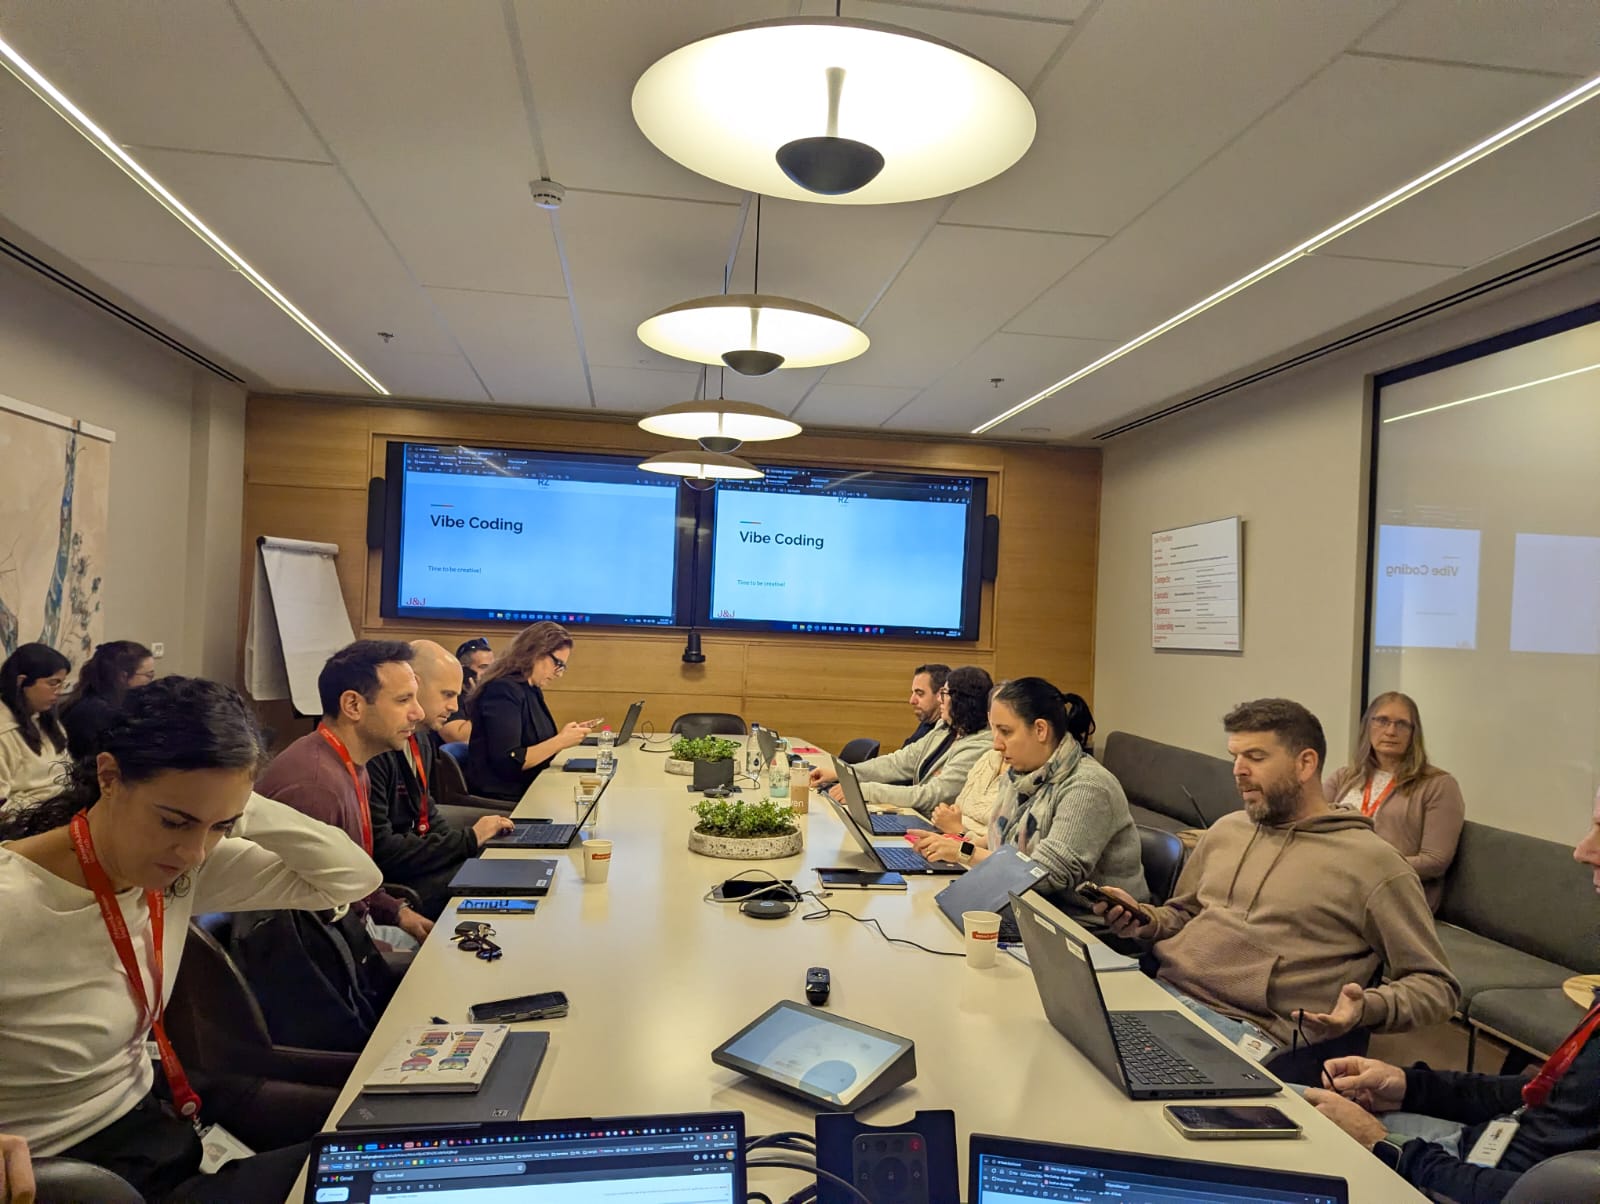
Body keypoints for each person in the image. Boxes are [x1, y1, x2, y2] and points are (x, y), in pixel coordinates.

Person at [0, 676, 382, 1203]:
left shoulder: (175, 867)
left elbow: (352, 877)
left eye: (220, 827)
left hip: (159, 1119)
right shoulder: (12, 901)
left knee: (391, 1141)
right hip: (77, 1174)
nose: (194, 852)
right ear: (108, 776)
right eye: (174, 821)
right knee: (367, 1176)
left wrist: (235, 801)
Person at [1097, 698, 1459, 1081]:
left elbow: (1436, 988)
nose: (1238, 771)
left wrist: (1368, 1006)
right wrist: (1145, 919)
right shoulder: (1227, 830)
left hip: (1246, 1033)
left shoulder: (1375, 866)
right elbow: (1183, 914)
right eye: (1235, 757)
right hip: (1159, 993)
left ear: (1305, 764)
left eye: (1255, 757)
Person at [1303, 786, 1600, 1202]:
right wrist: (1408, 1084)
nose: (1582, 851)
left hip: (1459, 1183)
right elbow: (1550, 1101)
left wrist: (1384, 1145)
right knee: (1292, 1105)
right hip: (1471, 1153)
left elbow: (1543, 1196)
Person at [911, 679, 1149, 917]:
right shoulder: (1020, 775)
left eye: (1005, 732)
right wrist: (954, 842)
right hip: (1026, 906)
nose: (996, 745)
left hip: (1085, 927)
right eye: (994, 730)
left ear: (1040, 730)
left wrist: (963, 851)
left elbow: (1045, 875)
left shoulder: (1088, 786)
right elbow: (1004, 852)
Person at [255, 640, 432, 951]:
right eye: (404, 700)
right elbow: (305, 925)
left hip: (355, 927)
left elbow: (342, 876)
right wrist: (381, 950)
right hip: (334, 950)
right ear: (353, 706)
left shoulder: (350, 763)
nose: (418, 712)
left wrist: (397, 911)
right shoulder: (314, 788)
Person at [366, 640, 513, 917]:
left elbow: (426, 810)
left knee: (508, 867)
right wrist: (468, 840)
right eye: (447, 695)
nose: (453, 706)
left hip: (418, 861)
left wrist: (462, 845)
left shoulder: (419, 739)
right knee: (505, 882)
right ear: (415, 684)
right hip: (396, 883)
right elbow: (383, 851)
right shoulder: (377, 749)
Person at [1324, 691, 1464, 911]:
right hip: (1336, 883)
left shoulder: (1439, 785)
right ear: (1368, 726)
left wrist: (1365, 867)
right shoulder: (1344, 777)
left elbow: (1435, 861)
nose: (1391, 731)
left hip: (1395, 897)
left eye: (1402, 724)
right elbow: (1312, 826)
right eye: (1382, 721)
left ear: (1413, 733)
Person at [810, 665, 993, 817]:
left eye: (944, 693)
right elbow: (899, 762)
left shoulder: (979, 746)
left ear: (962, 700)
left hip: (936, 830)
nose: (939, 699)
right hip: (915, 817)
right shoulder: (944, 729)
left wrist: (863, 791)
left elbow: (931, 795)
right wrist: (842, 774)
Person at [465, 622, 598, 802]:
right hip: (507, 794)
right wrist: (561, 741)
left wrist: (567, 736)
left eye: (562, 667)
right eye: (557, 664)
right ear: (536, 652)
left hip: (534, 786)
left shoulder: (531, 690)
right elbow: (510, 762)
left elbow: (538, 743)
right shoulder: (502, 690)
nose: (559, 673)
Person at [0, 643, 72, 809]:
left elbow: (65, 772)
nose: (59, 691)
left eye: (62, 684)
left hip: (61, 806)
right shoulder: (4, 731)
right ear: (22, 682)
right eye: (53, 683)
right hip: (27, 822)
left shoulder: (44, 717)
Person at [58, 640, 156, 759]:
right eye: (149, 675)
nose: (151, 681)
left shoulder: (107, 701)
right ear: (123, 676)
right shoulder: (96, 711)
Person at [440, 638, 494, 745]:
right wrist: (482, 701)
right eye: (484, 667)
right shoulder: (450, 697)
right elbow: (459, 738)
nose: (491, 673)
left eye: (493, 667)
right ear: (465, 671)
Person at [902, 663, 949, 749]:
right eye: (912, 693)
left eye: (919, 694)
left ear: (940, 695)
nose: (912, 701)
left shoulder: (946, 734)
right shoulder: (926, 722)